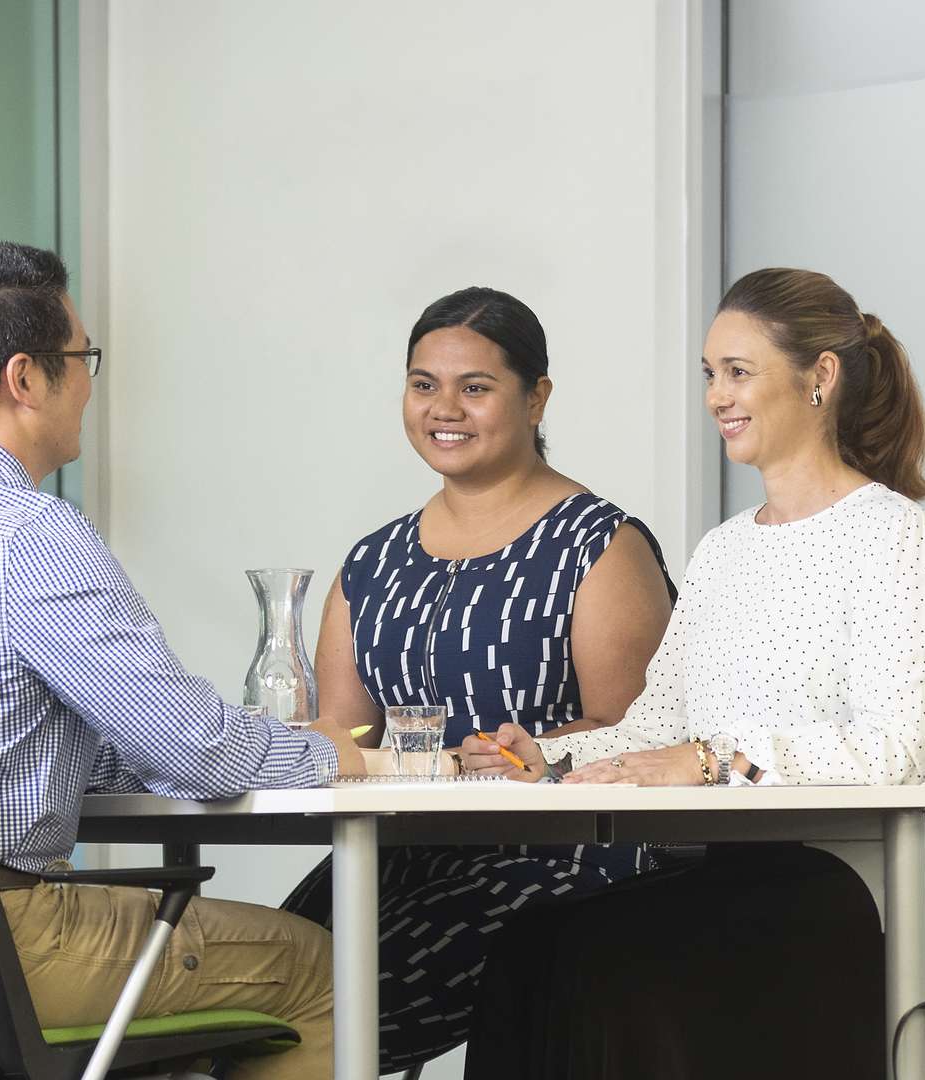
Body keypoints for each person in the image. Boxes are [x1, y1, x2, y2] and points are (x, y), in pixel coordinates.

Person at [0, 239, 360, 1078]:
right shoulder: (26, 533)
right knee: (316, 968)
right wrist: (331, 750)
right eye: (83, 357)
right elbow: (196, 749)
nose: (92, 382)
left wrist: (143, 757)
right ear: (25, 379)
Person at [458, 268, 925, 1078]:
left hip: (881, 900)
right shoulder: (723, 551)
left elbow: (895, 751)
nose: (717, 396)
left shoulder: (895, 537)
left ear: (820, 377)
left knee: (609, 972)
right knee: (531, 949)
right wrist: (552, 757)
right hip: (751, 878)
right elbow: (659, 726)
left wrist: (716, 762)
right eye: (711, 374)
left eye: (738, 372)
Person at [278, 286, 678, 1071]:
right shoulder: (373, 561)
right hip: (401, 850)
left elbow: (640, 734)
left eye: (476, 387)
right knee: (258, 983)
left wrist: (514, 756)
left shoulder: (598, 543)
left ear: (537, 399)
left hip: (562, 853)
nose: (443, 408)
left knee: (326, 1009)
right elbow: (345, 736)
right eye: (423, 384)